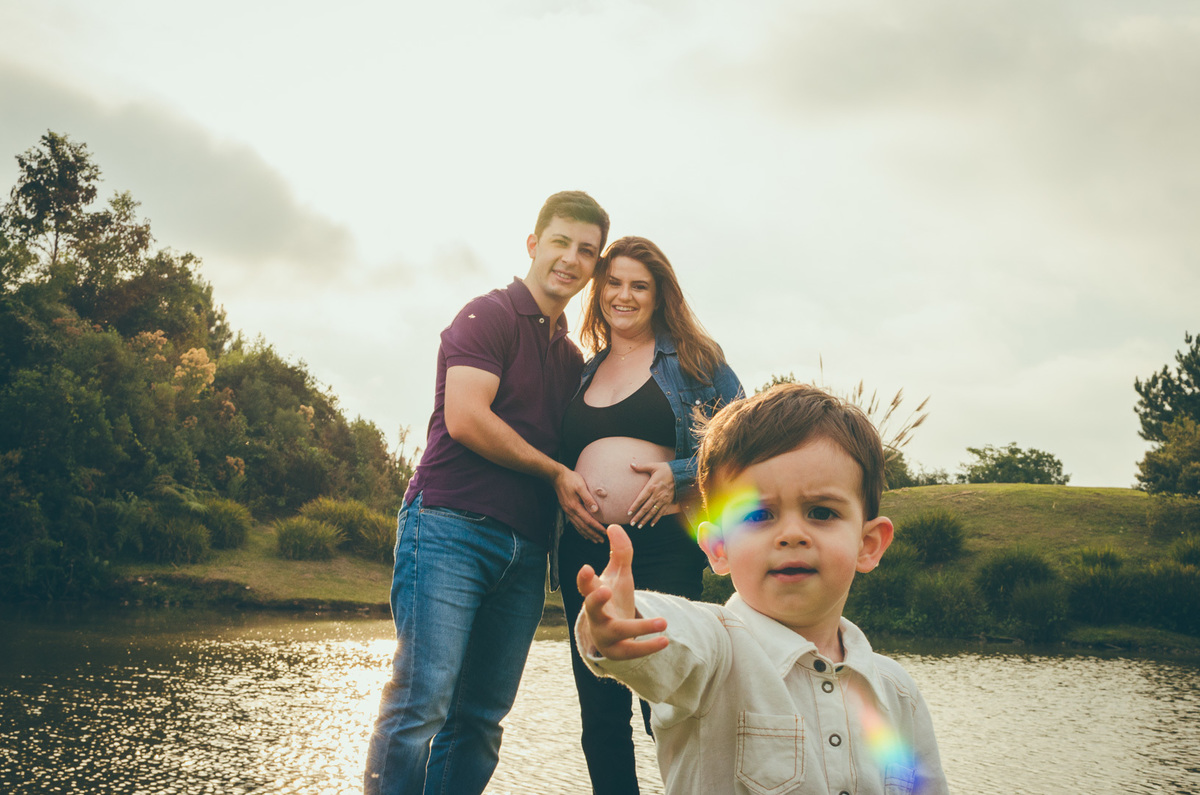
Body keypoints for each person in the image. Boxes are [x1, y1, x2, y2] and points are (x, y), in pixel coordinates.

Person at [575, 383, 950, 795]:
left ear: (868, 544)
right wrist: (622, 619)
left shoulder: (897, 693)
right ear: (718, 549)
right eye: (759, 515)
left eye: (821, 512)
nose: (792, 534)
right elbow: (676, 633)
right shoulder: (718, 653)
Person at [363, 190, 611, 795]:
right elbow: (467, 418)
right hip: (449, 528)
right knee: (421, 702)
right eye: (560, 242)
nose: (571, 259)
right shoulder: (488, 315)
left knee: (480, 721)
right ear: (533, 244)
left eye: (586, 250)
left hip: (526, 552)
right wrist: (555, 473)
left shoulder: (571, 357)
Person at [556, 236, 743, 794]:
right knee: (600, 715)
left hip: (661, 547)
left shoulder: (696, 363)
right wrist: (563, 488)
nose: (624, 295)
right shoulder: (583, 372)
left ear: (660, 295)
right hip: (585, 551)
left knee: (666, 705)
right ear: (599, 291)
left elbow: (745, 442)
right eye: (613, 282)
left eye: (639, 285)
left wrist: (679, 475)